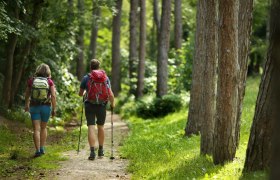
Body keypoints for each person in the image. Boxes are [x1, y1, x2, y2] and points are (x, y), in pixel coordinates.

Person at [79, 59, 115, 160]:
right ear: (99, 67)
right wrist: (113, 104)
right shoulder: (105, 78)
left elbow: (80, 94)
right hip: (102, 105)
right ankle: (101, 150)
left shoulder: (86, 78)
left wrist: (86, 92)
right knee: (101, 127)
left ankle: (91, 152)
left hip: (89, 104)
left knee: (91, 126)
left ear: (90, 67)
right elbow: (110, 94)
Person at [25, 63, 56, 157]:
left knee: (36, 129)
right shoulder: (49, 81)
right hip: (46, 107)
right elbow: (53, 96)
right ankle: (42, 148)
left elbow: (27, 94)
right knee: (43, 128)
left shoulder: (32, 80)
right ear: (48, 72)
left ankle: (37, 150)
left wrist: (26, 104)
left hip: (34, 107)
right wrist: (54, 108)